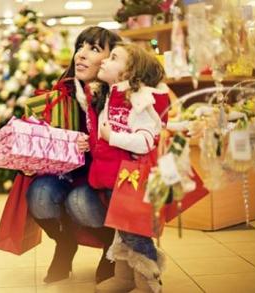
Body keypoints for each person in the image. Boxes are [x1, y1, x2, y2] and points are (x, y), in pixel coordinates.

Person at [25, 26, 122, 284]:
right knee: (39, 195)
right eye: (80, 47)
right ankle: (65, 244)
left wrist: (94, 142)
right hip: (64, 171)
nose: (81, 54)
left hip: (102, 177)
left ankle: (112, 248)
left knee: (80, 202)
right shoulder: (62, 93)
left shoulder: (119, 97)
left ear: (113, 59)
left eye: (94, 49)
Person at [75, 43, 170, 293]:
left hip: (131, 180)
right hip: (111, 179)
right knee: (122, 231)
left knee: (135, 234)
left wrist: (111, 137)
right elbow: (104, 129)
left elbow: (146, 139)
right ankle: (125, 278)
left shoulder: (138, 100)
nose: (105, 60)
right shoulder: (109, 95)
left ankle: (148, 282)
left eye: (113, 57)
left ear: (129, 72)